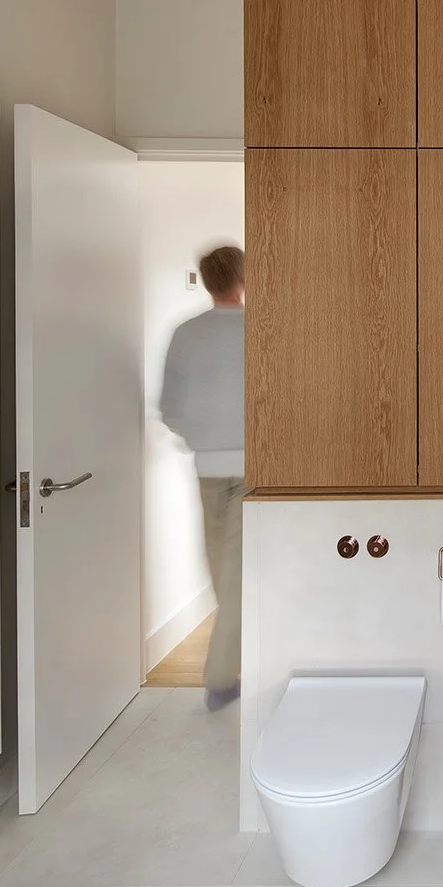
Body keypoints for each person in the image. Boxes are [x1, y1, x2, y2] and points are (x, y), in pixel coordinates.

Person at [160, 244, 246, 710]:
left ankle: (221, 672)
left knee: (223, 571)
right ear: (242, 278)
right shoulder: (261, 329)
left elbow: (169, 408)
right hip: (258, 468)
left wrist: (198, 432)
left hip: (207, 467)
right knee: (236, 575)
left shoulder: (185, 334)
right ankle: (221, 676)